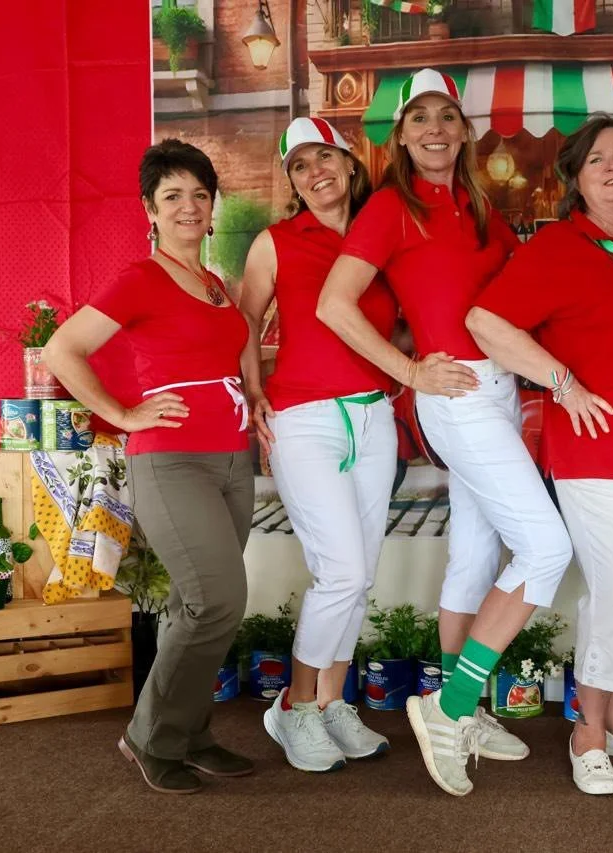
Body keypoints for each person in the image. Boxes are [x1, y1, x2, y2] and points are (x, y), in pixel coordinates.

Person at [317, 68, 573, 797]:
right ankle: (448, 704)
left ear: (465, 131)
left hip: (497, 390)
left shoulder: (479, 204)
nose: (434, 129)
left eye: (447, 117)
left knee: (473, 553)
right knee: (547, 545)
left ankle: (467, 706)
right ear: (401, 135)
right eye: (419, 118)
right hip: (453, 390)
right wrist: (407, 370)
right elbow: (336, 305)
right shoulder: (394, 207)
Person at [467, 115, 613, 796]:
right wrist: (561, 383)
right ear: (574, 178)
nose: (612, 166)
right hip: (600, 457)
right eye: (596, 158)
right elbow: (485, 323)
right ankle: (587, 731)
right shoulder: (558, 248)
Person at [43, 139, 254, 795]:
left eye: (199, 194)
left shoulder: (216, 284)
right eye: (173, 196)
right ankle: (147, 736)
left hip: (233, 460)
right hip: (171, 462)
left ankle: (189, 733)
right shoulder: (141, 278)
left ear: (213, 205)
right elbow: (63, 349)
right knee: (220, 599)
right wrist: (123, 413)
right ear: (151, 210)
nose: (189, 206)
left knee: (199, 604)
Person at [237, 117, 396, 773]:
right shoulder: (276, 241)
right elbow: (245, 315)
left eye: (324, 157)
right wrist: (253, 393)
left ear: (352, 164)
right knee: (343, 570)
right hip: (303, 417)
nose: (314, 173)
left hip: (375, 415)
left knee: (360, 577)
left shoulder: (382, 231)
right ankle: (294, 707)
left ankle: (331, 702)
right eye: (299, 165)